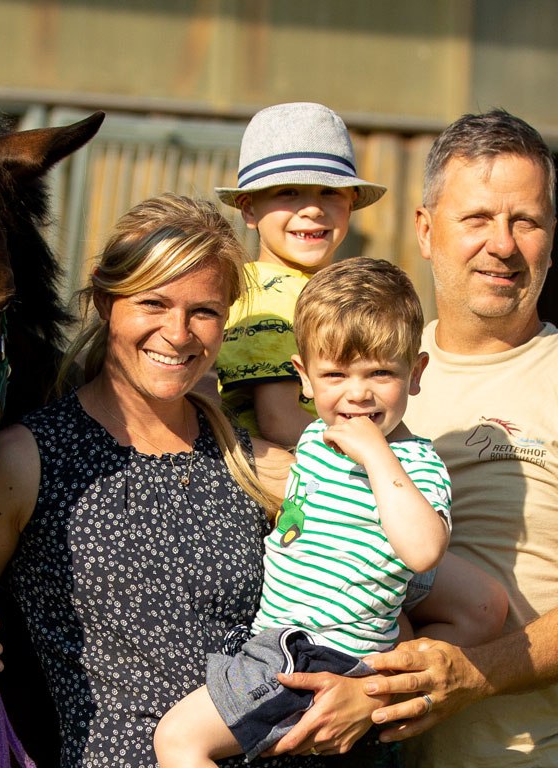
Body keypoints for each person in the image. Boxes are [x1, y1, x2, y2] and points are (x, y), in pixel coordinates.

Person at [0, 194, 378, 768]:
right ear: (105, 301)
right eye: (153, 303)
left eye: (204, 311)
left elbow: (376, 596)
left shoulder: (265, 466)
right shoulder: (26, 459)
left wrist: (366, 694)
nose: (178, 334)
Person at [339, 110, 558, 767]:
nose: (503, 244)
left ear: (551, 236)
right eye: (478, 218)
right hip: (353, 751)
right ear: (427, 231)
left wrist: (470, 674)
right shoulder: (365, 378)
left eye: (526, 221)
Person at [156, 258, 506, 768]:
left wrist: (378, 455)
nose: (357, 393)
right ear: (304, 376)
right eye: (335, 374)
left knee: (179, 741)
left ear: (416, 373)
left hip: (312, 653)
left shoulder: (414, 465)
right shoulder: (317, 442)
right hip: (287, 637)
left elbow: (424, 551)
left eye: (380, 373)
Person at [214, 102, 386, 447]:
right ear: (249, 208)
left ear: (351, 203)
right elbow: (277, 419)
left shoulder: (312, 290)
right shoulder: (270, 296)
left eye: (330, 192)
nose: (311, 208)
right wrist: (372, 456)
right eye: (288, 192)